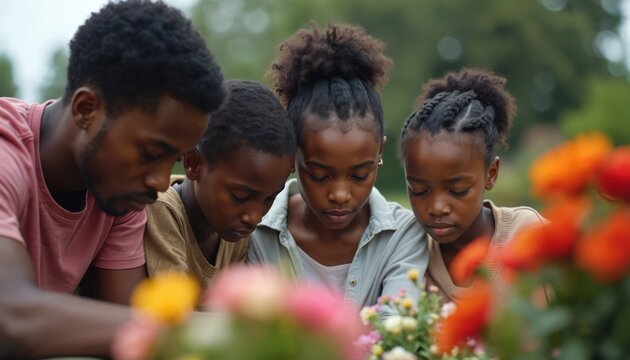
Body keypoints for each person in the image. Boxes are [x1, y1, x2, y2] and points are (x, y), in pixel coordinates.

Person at [0, 0, 225, 357]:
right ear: (87, 109)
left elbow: (128, 332)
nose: (163, 181)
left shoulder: (119, 192)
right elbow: (11, 318)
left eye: (174, 160)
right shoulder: (6, 150)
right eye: (151, 154)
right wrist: (233, 330)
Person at [248, 23, 429, 310]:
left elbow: (396, 329)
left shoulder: (403, 235)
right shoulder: (256, 230)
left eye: (360, 174)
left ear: (380, 151)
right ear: (292, 155)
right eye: (320, 175)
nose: (341, 194)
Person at [399, 68, 545, 303]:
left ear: (491, 174)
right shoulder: (408, 254)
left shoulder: (529, 235)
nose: (437, 207)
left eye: (457, 190)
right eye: (419, 190)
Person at [144, 80, 296, 291]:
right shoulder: (160, 209)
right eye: (240, 196)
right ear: (193, 164)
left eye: (270, 198)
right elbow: (173, 318)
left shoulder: (235, 232)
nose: (254, 217)